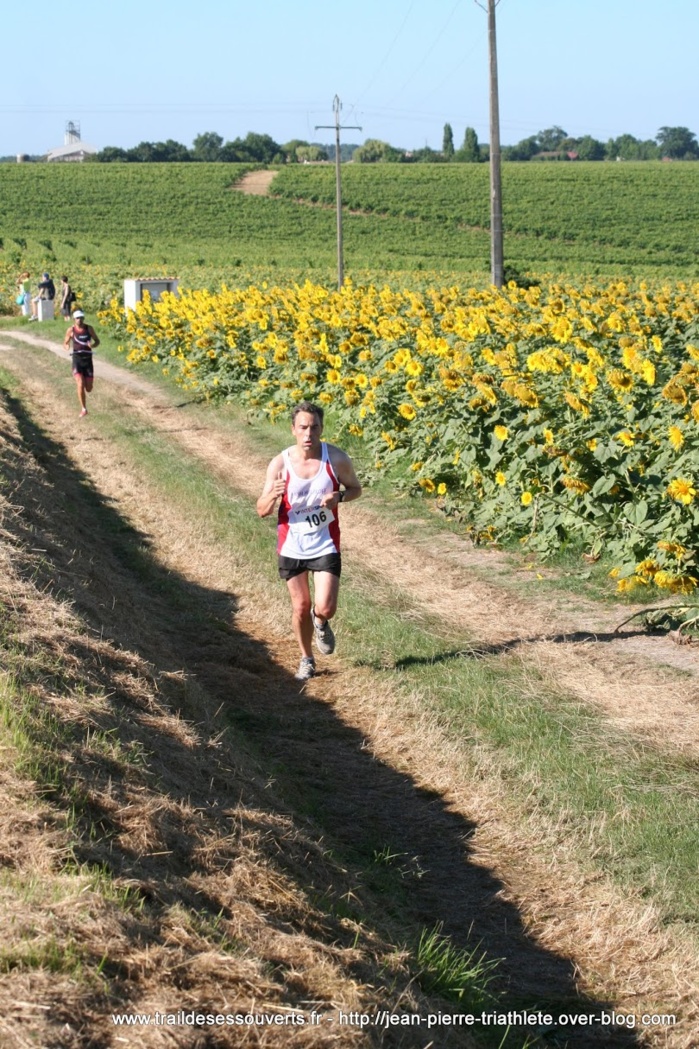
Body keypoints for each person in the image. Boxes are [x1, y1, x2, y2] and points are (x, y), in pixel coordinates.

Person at [257, 401, 362, 681]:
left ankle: (321, 621)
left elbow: (355, 489)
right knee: (300, 606)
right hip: (292, 543)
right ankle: (306, 658)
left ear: (321, 429)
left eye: (314, 427)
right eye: (303, 427)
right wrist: (273, 495)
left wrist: (338, 497)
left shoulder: (336, 458)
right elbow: (261, 510)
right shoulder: (280, 464)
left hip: (325, 541)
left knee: (325, 606)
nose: (308, 433)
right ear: (293, 430)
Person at [63, 310, 100, 417]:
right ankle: (84, 409)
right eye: (78, 318)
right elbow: (65, 342)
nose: (80, 320)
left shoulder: (89, 328)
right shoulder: (71, 330)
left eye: (81, 318)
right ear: (74, 319)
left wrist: (92, 345)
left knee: (89, 388)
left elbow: (97, 341)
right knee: (80, 384)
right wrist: (67, 346)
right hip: (77, 360)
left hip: (88, 360)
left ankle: (85, 389)